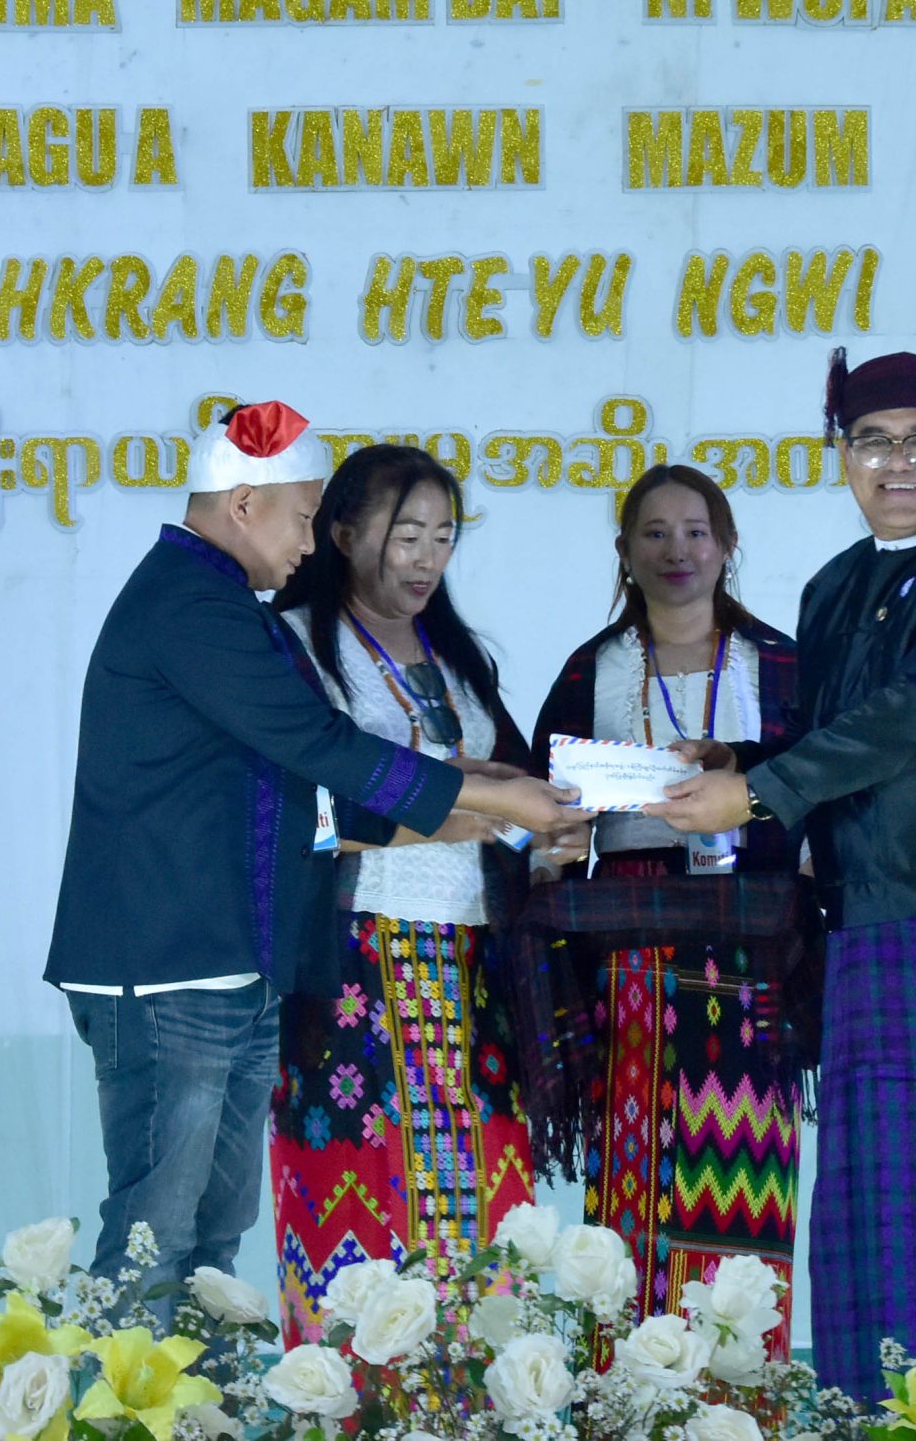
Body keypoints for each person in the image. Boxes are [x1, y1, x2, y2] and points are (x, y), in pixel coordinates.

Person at [43, 401, 587, 1299]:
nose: (309, 544)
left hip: (234, 960)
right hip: (166, 965)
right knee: (152, 1241)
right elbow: (322, 747)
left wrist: (480, 801)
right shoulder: (189, 604)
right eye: (303, 518)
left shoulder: (228, 605)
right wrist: (494, 797)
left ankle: (198, 1388)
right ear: (244, 504)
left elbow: (303, 794)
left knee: (212, 1244)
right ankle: (121, 1386)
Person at [648, 352, 916, 1400]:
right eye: (872, 440)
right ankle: (871, 1409)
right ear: (842, 457)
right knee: (872, 1189)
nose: (897, 461)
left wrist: (757, 792)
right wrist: (739, 763)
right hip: (864, 922)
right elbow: (832, 736)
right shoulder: (835, 585)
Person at [262, 443, 574, 1342]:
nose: (427, 558)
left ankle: (480, 1401)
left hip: (475, 963)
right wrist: (454, 817)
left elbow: (505, 796)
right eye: (407, 536)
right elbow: (291, 816)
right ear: (343, 533)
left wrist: (549, 830)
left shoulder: (457, 658)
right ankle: (351, 1399)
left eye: (443, 537)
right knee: (355, 1192)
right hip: (352, 960)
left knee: (488, 1200)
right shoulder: (292, 646)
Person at [522, 464, 822, 1332]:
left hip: (753, 939)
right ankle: (626, 1380)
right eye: (654, 533)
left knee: (746, 1165)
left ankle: (740, 1384)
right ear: (624, 551)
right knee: (635, 1158)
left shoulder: (785, 663)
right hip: (628, 941)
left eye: (695, 532)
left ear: (727, 546)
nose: (677, 550)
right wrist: (553, 843)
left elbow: (823, 789)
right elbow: (544, 804)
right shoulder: (592, 669)